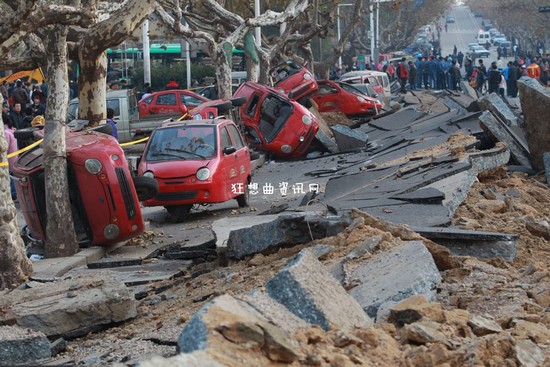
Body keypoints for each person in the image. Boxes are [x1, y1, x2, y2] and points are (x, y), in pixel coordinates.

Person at [3, 116, 18, 200]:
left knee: (10, 176)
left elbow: (5, 147)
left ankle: (12, 193)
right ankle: (14, 192)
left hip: (8, 158)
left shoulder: (5, 133)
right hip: (15, 156)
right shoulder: (12, 130)